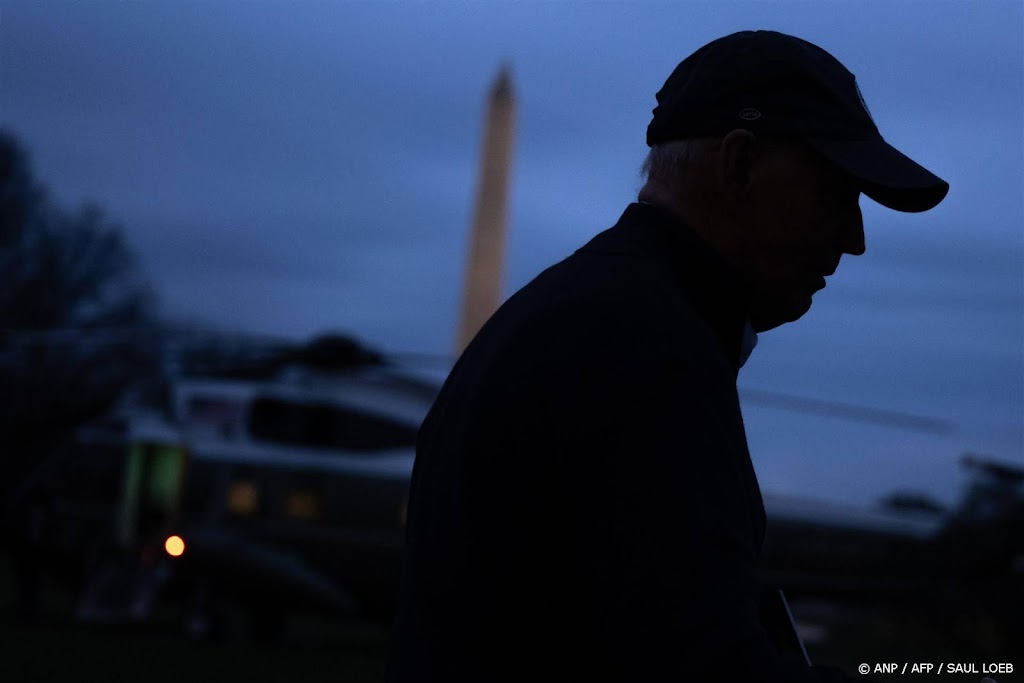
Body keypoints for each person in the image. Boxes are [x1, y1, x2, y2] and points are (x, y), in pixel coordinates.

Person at [387, 30, 948, 682]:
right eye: (835, 194)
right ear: (737, 168)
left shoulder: (585, 312)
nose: (855, 239)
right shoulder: (644, 352)